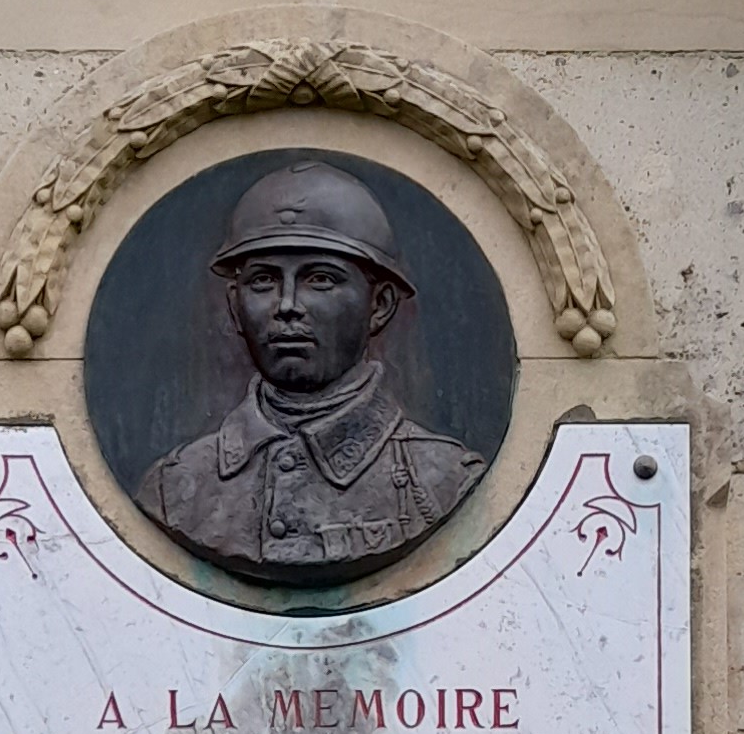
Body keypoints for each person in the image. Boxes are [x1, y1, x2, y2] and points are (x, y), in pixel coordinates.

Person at [136, 160, 486, 579]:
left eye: (320, 279)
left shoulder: (444, 481)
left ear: (380, 305)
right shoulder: (174, 490)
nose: (286, 306)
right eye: (263, 281)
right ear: (234, 304)